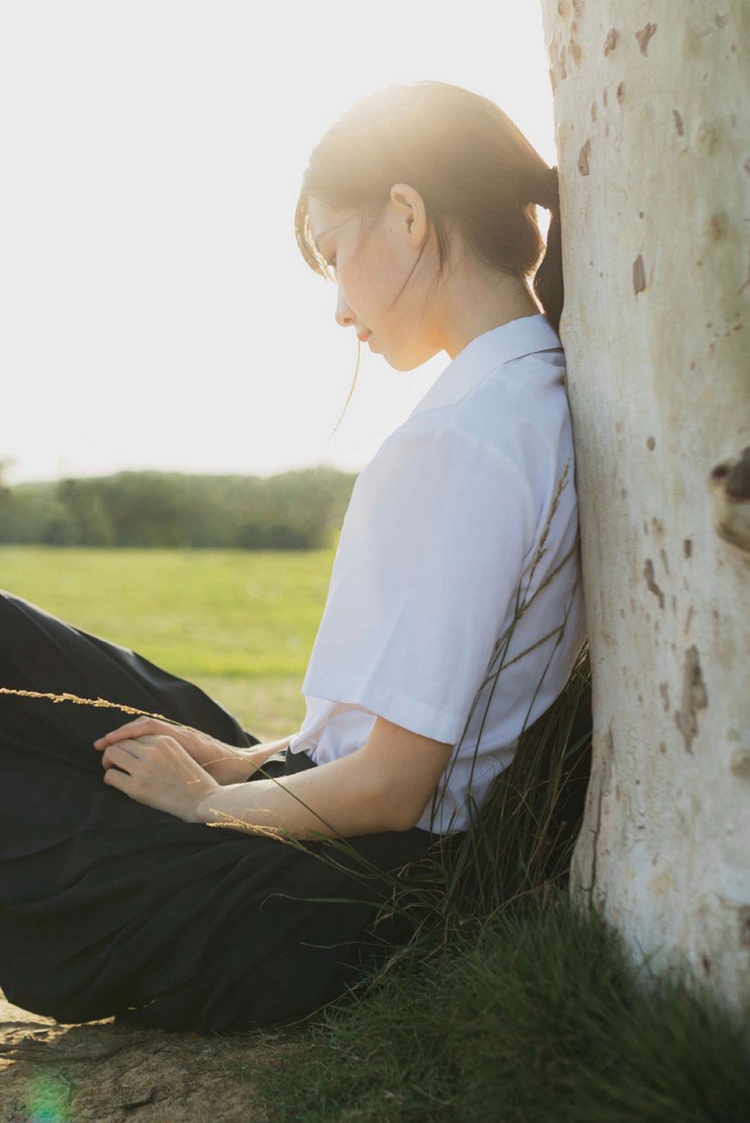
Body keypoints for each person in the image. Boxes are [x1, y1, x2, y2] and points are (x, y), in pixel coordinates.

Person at [0, 81, 586, 1033]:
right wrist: (235, 761)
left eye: (331, 253)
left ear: (406, 213)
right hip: (325, 821)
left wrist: (203, 806)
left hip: (324, 898)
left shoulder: (470, 439)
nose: (340, 306)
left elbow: (394, 787)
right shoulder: (524, 395)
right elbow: (375, 736)